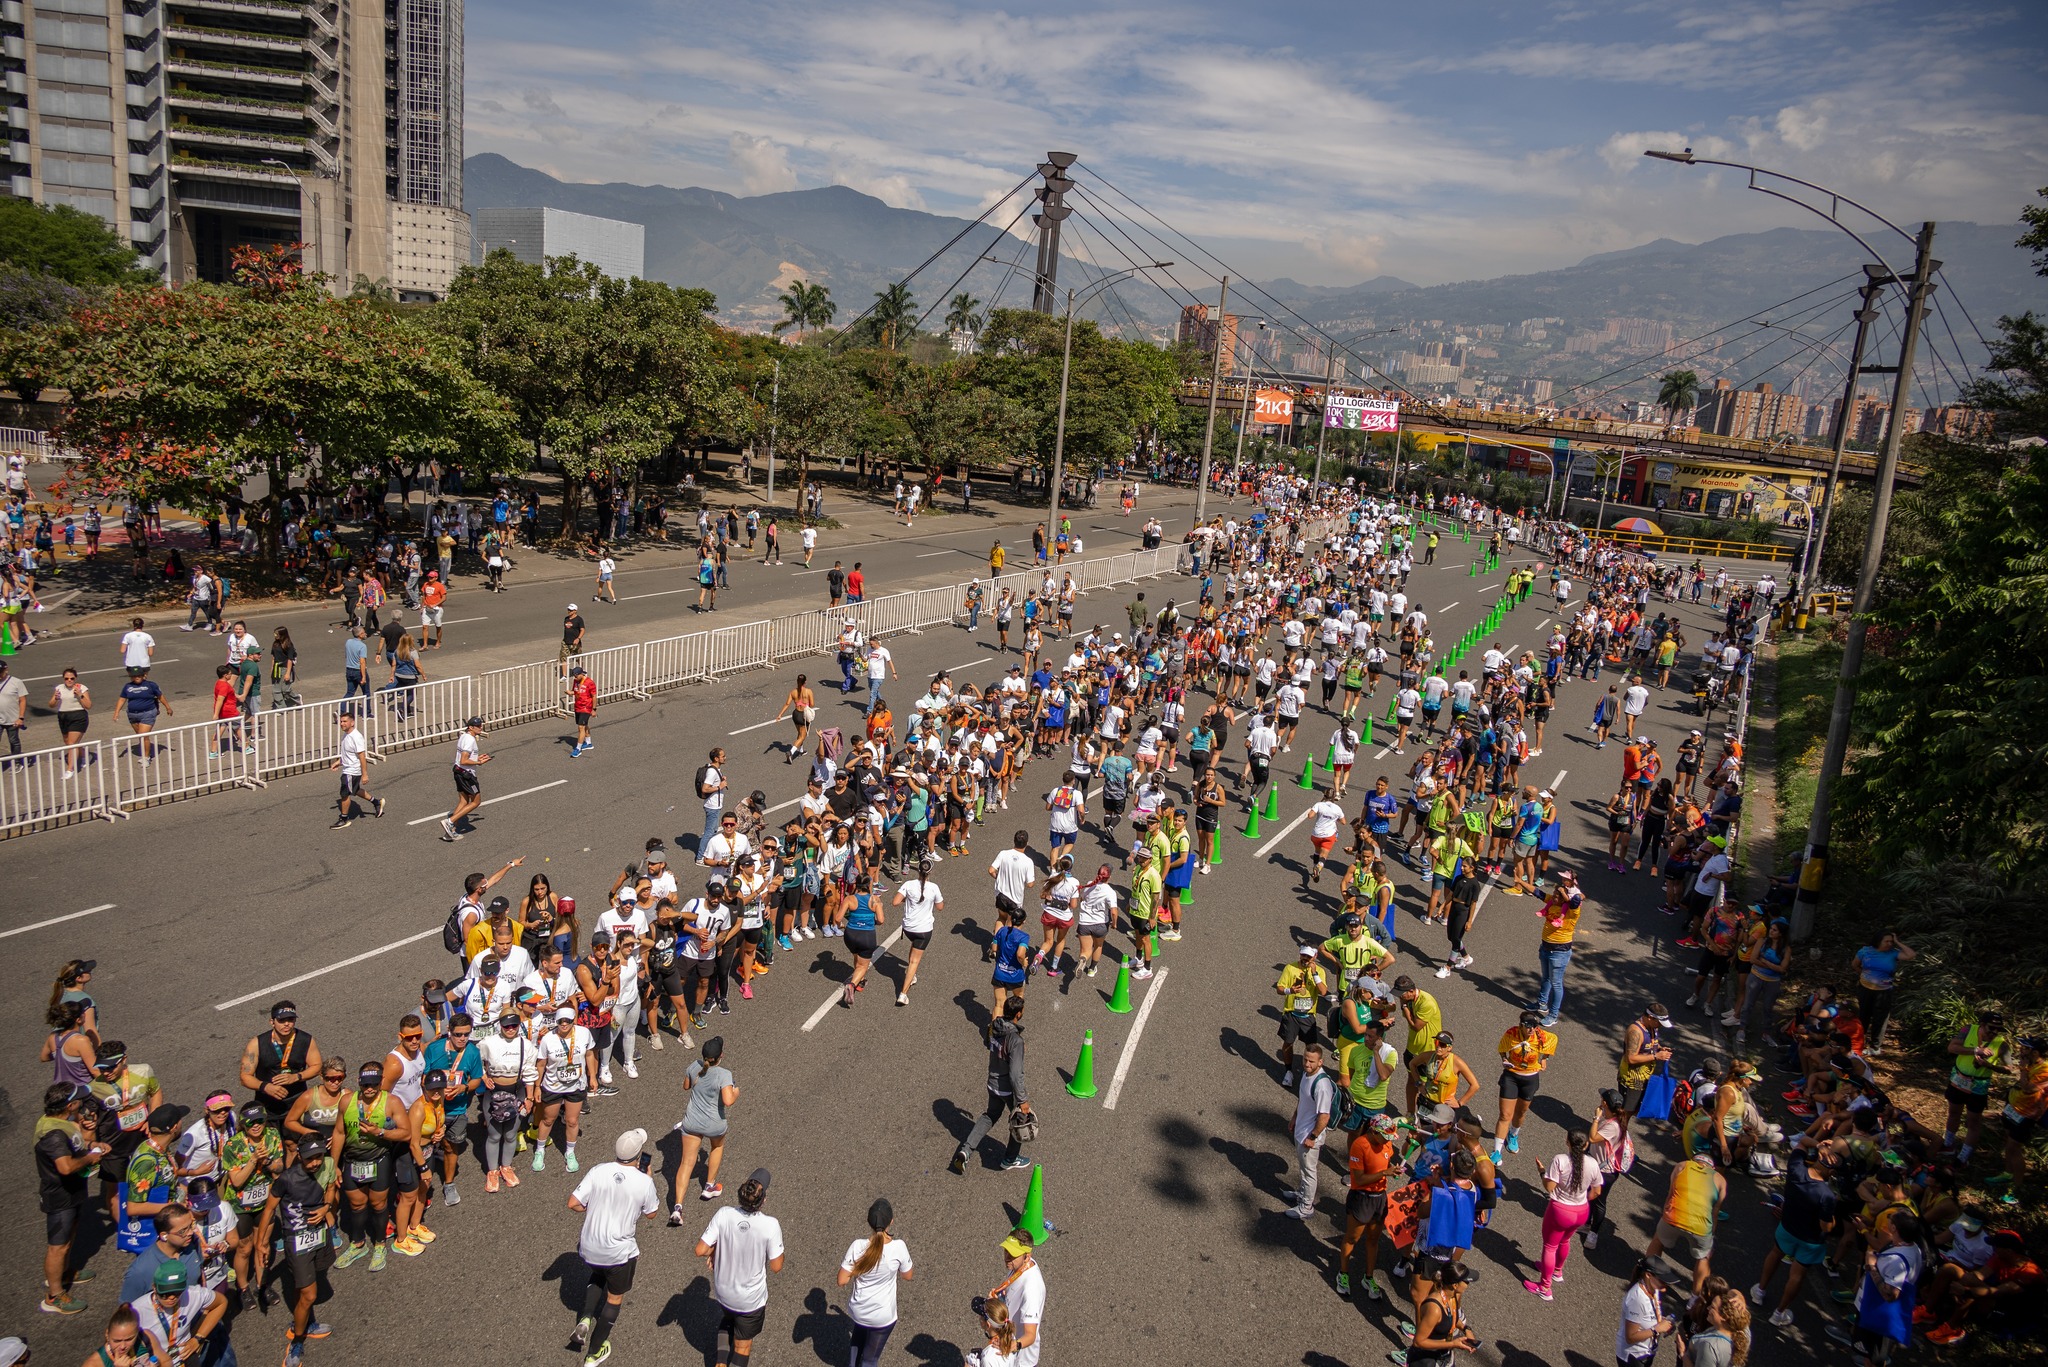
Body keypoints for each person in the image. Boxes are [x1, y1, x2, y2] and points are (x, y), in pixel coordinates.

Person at [566, 1127, 660, 1367]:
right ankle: (594, 1353)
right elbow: (652, 1214)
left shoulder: (599, 1171)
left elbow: (573, 1203)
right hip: (618, 1253)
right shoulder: (643, 1182)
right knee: (614, 1298)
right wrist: (648, 1179)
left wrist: (591, 1209)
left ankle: (585, 1319)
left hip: (589, 1246)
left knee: (598, 1273)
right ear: (639, 1156)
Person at [694, 1169, 786, 1367]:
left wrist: (715, 1249)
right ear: (763, 1200)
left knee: (728, 1319)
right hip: (750, 1301)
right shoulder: (770, 1225)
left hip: (723, 1292)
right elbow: (776, 1266)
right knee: (742, 1346)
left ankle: (719, 1364)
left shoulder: (724, 1214)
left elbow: (700, 1249)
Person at [36, 1081, 111, 1316]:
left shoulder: (62, 1124)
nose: (83, 1102)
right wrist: (90, 1158)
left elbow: (74, 1146)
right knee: (58, 1246)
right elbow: (66, 1167)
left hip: (73, 1193)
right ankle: (54, 1295)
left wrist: (92, 1144)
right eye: (79, 1100)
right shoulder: (54, 1134)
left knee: (69, 1238)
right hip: (60, 1197)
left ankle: (65, 1273)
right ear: (70, 1105)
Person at [1750, 1146, 1837, 1328]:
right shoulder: (1827, 1196)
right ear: (1829, 1170)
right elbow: (1826, 1226)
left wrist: (1819, 1145)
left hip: (1787, 1227)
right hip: (1810, 1240)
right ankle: (1779, 1313)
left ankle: (1760, 1291)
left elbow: (1801, 1144)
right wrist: (1833, 1220)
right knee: (1797, 1274)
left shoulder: (1796, 1169)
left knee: (1775, 1253)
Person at [950, 995, 1032, 1174]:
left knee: (990, 1116)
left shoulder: (994, 1026)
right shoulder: (1015, 1041)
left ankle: (966, 1150)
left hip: (992, 1082)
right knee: (1019, 1121)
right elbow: (1015, 1074)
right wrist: (1022, 1100)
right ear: (1018, 1014)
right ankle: (1010, 1158)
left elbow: (989, 1043)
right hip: (1007, 1089)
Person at [1523, 1129, 1602, 1300]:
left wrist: (1542, 1172)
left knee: (1550, 1246)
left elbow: (1550, 1187)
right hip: (1581, 1211)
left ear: (1567, 1142)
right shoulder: (1593, 1163)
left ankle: (1545, 1288)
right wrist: (1581, 1200)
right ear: (1586, 1145)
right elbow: (1596, 1191)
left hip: (1560, 1210)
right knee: (1565, 1241)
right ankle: (1557, 1271)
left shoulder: (1560, 1160)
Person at [837, 1198, 913, 1367]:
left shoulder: (858, 1247)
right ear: (891, 1222)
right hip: (882, 1316)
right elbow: (907, 1276)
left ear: (868, 1222)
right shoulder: (899, 1247)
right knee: (870, 1360)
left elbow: (842, 1280)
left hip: (858, 1310)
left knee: (858, 1341)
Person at [669, 1036, 738, 1217]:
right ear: (721, 1055)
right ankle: (709, 1186)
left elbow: (686, 1086)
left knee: (686, 1163)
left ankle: (677, 1207)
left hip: (692, 1122)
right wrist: (736, 1091)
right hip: (714, 1124)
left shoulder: (694, 1066)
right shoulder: (724, 1075)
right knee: (717, 1146)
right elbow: (728, 1100)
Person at [1336, 1112, 1398, 1300]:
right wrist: (1384, 1173)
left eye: (1389, 1137)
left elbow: (1387, 1161)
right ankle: (1343, 1274)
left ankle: (1368, 1277)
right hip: (1362, 1198)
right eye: (1385, 1136)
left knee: (1373, 1239)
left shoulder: (1386, 1142)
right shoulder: (1360, 1145)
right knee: (1352, 1238)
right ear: (1373, 1131)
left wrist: (1392, 1170)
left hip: (1379, 1198)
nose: (1388, 1140)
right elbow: (1359, 1179)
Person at [1645, 1151, 1726, 1294]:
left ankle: (1648, 1279)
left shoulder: (1682, 1166)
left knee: (1658, 1239)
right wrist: (1710, 1236)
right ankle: (1695, 1298)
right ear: (1711, 1167)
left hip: (1674, 1217)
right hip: (1701, 1227)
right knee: (1704, 1257)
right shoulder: (1720, 1180)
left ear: (1693, 1161)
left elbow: (1670, 1194)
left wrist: (1664, 1215)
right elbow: (1715, 1212)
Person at [129, 1260, 229, 1367]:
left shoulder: (193, 1295)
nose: (171, 1297)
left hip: (186, 1359)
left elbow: (221, 1302)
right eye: (165, 1293)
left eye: (177, 1292)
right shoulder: (137, 1310)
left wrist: (198, 1338)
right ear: (154, 1287)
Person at [988, 1231, 1046, 1367]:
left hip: (1022, 1360)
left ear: (1027, 1257)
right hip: (1008, 1342)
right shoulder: (1019, 1266)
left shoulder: (1032, 1289)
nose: (1007, 1257)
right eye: (1006, 1251)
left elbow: (1030, 1335)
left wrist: (1013, 1345)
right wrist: (999, 1299)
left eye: (1013, 1254)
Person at [1617, 1258, 1679, 1367]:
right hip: (1634, 1357)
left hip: (1647, 1352)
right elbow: (1630, 1337)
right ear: (1648, 1275)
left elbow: (1648, 1315)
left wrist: (1663, 1322)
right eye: (1662, 1281)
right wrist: (1657, 1329)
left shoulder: (1653, 1289)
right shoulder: (1637, 1299)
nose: (1665, 1288)